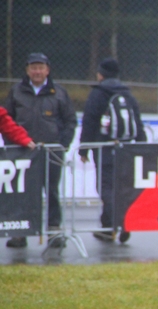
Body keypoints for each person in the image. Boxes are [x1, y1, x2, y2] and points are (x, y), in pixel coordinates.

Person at [4, 52, 77, 248]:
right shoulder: (16, 91)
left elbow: (70, 121)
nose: (37, 71)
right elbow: (6, 120)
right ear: (27, 70)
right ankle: (20, 232)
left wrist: (62, 144)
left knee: (51, 190)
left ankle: (54, 230)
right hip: (22, 152)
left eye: (40, 67)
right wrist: (12, 145)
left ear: (47, 70)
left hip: (51, 151)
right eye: (33, 68)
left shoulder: (59, 93)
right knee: (22, 192)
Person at [79, 57, 147, 243]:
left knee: (106, 188)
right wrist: (143, 147)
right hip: (126, 150)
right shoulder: (127, 93)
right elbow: (138, 124)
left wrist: (83, 149)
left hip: (104, 148)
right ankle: (107, 228)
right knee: (121, 188)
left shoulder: (98, 93)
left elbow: (89, 122)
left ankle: (120, 223)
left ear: (101, 74)